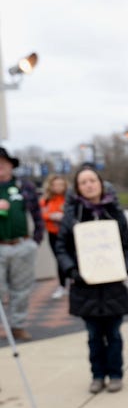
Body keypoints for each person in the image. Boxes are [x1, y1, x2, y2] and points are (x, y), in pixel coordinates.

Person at [55, 166, 128, 394]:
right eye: (84, 182)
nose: (89, 185)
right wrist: (72, 271)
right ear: (78, 189)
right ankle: (98, 376)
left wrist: (125, 268)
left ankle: (116, 374)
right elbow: (62, 248)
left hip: (113, 285)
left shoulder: (115, 212)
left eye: (92, 180)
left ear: (100, 183)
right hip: (85, 286)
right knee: (93, 336)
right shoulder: (72, 215)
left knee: (114, 334)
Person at [0, 147, 44, 342]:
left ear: (10, 165)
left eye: (3, 162)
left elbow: (37, 215)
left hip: (22, 245)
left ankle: (18, 325)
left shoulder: (23, 186)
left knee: (22, 289)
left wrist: (35, 241)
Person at [40, 174, 69, 299]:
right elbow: (41, 214)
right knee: (59, 259)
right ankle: (62, 285)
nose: (58, 187)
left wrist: (63, 216)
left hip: (68, 233)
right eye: (55, 185)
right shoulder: (46, 200)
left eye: (61, 185)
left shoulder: (68, 198)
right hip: (53, 233)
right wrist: (51, 216)